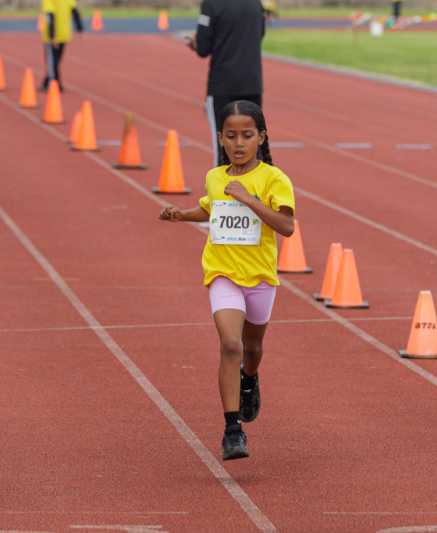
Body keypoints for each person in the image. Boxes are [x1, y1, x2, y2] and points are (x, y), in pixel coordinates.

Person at [159, 101, 295, 460]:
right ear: (220, 138)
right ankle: (232, 430)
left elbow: (286, 227)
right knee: (231, 345)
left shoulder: (274, 179)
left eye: (247, 136)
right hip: (222, 272)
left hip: (261, 277)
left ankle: (250, 378)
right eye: (231, 136)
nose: (238, 143)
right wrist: (181, 215)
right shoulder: (215, 177)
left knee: (252, 350)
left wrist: (250, 200)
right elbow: (210, 207)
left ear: (261, 138)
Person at [187, 0, 265, 167]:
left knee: (224, 149)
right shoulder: (256, 3)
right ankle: (252, 191)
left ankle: (222, 192)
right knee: (252, 148)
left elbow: (203, 47)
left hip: (223, 85)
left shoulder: (211, 4)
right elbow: (260, 35)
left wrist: (195, 43)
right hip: (252, 83)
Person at [40, 0, 83, 92]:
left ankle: (56, 84)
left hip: (53, 36)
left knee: (52, 61)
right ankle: (46, 82)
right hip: (64, 34)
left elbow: (50, 16)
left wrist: (52, 36)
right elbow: (75, 12)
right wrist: (79, 28)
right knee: (56, 60)